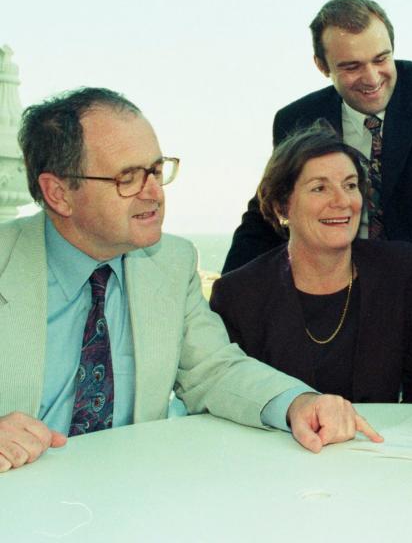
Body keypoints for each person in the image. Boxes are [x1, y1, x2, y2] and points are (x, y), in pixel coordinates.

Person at [0, 87, 382, 473]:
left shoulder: (170, 262)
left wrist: (297, 403)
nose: (154, 193)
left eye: (154, 170)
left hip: (122, 496)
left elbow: (213, 370)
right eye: (127, 178)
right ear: (59, 193)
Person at [222, 0, 412, 274]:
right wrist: (224, 299)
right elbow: (267, 214)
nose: (372, 78)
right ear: (322, 65)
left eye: (381, 59)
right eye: (352, 66)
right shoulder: (297, 120)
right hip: (338, 284)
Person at [210, 121, 412, 402]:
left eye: (350, 185)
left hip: (382, 442)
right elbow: (230, 399)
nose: (342, 201)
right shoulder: (238, 296)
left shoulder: (401, 270)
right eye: (319, 188)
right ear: (282, 206)